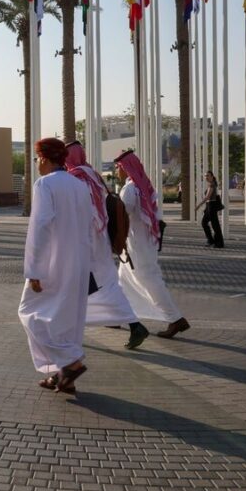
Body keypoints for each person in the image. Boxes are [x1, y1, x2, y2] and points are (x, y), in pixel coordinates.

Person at [19, 138, 94, 394]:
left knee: (29, 312)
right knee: (68, 320)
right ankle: (63, 376)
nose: (37, 164)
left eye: (37, 159)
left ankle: (71, 362)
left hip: (52, 263)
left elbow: (39, 227)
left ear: (44, 158)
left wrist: (34, 271)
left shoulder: (45, 184)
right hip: (79, 261)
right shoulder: (79, 185)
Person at [65, 142, 149, 350]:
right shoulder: (93, 175)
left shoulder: (76, 178)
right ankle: (132, 325)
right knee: (102, 285)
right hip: (100, 238)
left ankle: (133, 325)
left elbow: (82, 211)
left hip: (88, 240)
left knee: (86, 285)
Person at [115, 150, 190, 339]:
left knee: (149, 280)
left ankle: (175, 318)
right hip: (144, 241)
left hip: (136, 244)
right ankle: (117, 315)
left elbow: (123, 214)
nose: (117, 171)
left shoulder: (130, 189)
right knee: (123, 280)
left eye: (118, 167)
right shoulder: (143, 186)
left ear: (125, 168)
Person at [195, 170, 224, 248]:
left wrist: (198, 205)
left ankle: (218, 243)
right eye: (205, 176)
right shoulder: (211, 184)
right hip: (209, 206)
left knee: (214, 225)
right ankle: (211, 240)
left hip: (212, 206)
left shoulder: (212, 185)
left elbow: (207, 197)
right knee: (205, 223)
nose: (206, 177)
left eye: (207, 175)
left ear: (212, 176)